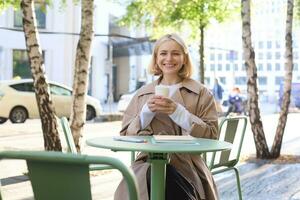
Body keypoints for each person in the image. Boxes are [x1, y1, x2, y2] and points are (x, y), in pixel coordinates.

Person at [114, 33, 219, 200]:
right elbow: (126, 135)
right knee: (159, 173)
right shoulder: (142, 94)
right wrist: (146, 113)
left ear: (184, 58)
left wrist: (178, 112)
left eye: (175, 53)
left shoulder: (201, 93)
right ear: (156, 58)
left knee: (168, 174)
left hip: (189, 165)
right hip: (147, 163)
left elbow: (212, 135)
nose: (169, 58)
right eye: (163, 53)